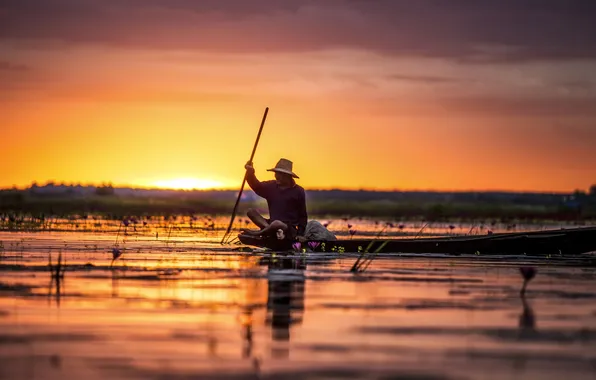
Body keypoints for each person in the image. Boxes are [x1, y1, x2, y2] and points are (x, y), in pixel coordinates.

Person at [241, 158, 307, 243]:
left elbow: (303, 216)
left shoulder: (298, 191)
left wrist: (300, 234)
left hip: (288, 228)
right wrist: (250, 173)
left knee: (277, 223)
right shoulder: (271, 186)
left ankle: (257, 233)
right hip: (270, 224)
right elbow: (256, 186)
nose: (276, 176)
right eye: (276, 173)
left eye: (280, 174)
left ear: (287, 176)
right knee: (250, 212)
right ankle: (271, 230)